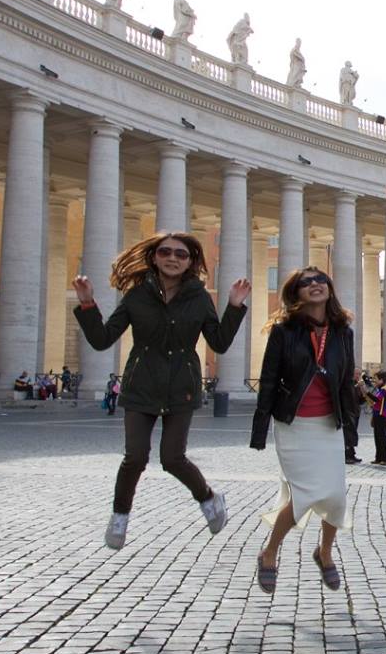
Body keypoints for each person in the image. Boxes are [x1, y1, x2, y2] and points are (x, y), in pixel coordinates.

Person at [73, 232, 248, 551]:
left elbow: (219, 342)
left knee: (173, 458)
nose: (172, 258)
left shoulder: (199, 297)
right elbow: (102, 338)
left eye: (181, 254)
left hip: (181, 386)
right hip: (142, 384)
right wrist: (87, 304)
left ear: (190, 261)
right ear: (154, 256)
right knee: (135, 457)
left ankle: (209, 499)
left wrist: (234, 307)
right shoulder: (137, 294)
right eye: (165, 252)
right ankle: (120, 516)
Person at [250, 266, 361, 593]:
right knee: (304, 496)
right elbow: (269, 379)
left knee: (336, 498)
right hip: (294, 424)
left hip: (329, 423)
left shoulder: (343, 332)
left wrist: (350, 431)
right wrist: (259, 429)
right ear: (295, 292)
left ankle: (324, 552)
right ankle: (269, 552)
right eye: (306, 282)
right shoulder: (284, 331)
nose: (315, 285)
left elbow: (344, 384)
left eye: (321, 280)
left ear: (330, 288)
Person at [368, 376, 386, 466]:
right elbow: (375, 402)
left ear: (382, 380)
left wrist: (366, 391)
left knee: (382, 437)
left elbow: (376, 399)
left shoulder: (385, 389)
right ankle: (378, 458)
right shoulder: (380, 389)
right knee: (377, 437)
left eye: (377, 379)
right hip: (376, 415)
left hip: (382, 416)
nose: (375, 381)